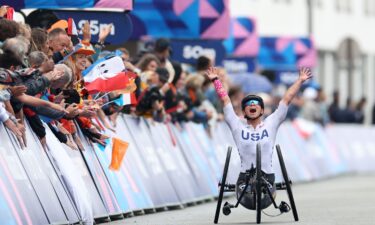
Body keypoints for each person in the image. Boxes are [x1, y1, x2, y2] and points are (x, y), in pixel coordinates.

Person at [205, 66, 312, 209]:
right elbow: (225, 101)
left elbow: (286, 99)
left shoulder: (271, 123)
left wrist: (300, 81)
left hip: (267, 178)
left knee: (264, 182)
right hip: (244, 179)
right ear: (244, 111)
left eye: (256, 104)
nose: (252, 105)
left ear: (262, 110)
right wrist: (216, 80)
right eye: (249, 104)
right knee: (247, 185)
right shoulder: (237, 125)